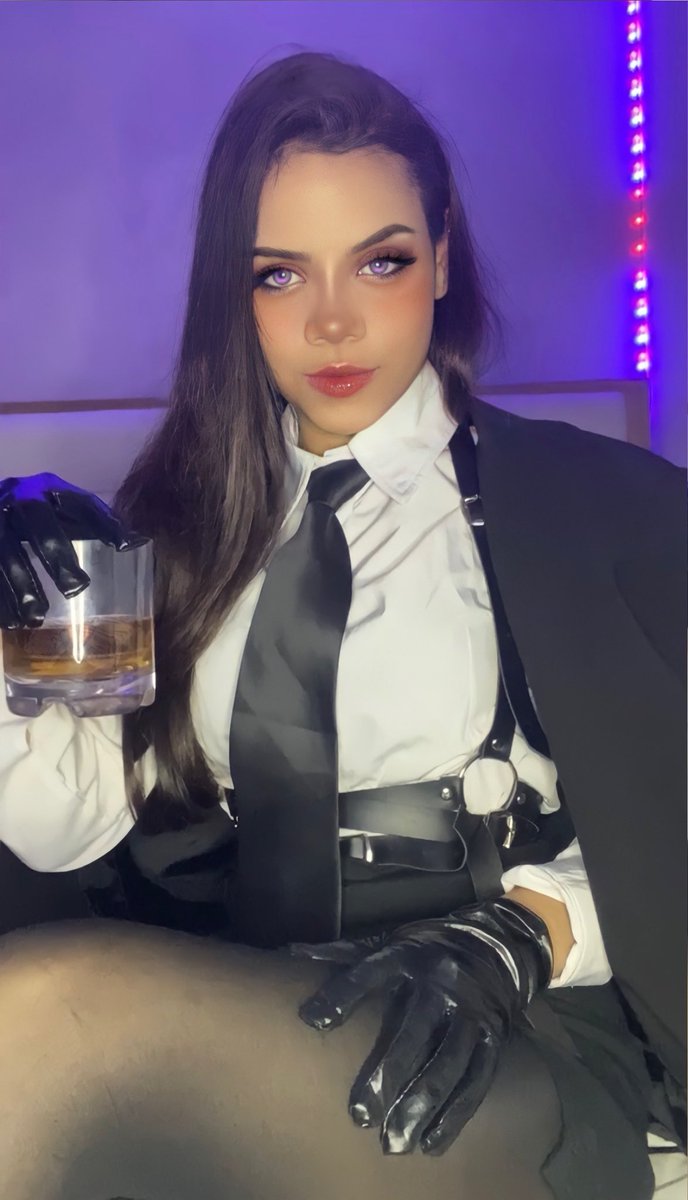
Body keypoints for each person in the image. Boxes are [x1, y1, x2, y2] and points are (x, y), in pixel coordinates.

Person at [0, 48, 684, 1200]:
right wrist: (11, 636)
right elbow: (70, 828)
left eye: (380, 261)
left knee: (36, 1030)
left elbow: (669, 806)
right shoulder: (179, 523)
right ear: (234, 292)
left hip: (507, 1033)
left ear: (442, 257)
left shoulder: (601, 506)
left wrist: (521, 936)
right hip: (254, 993)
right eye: (279, 274)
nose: (330, 321)